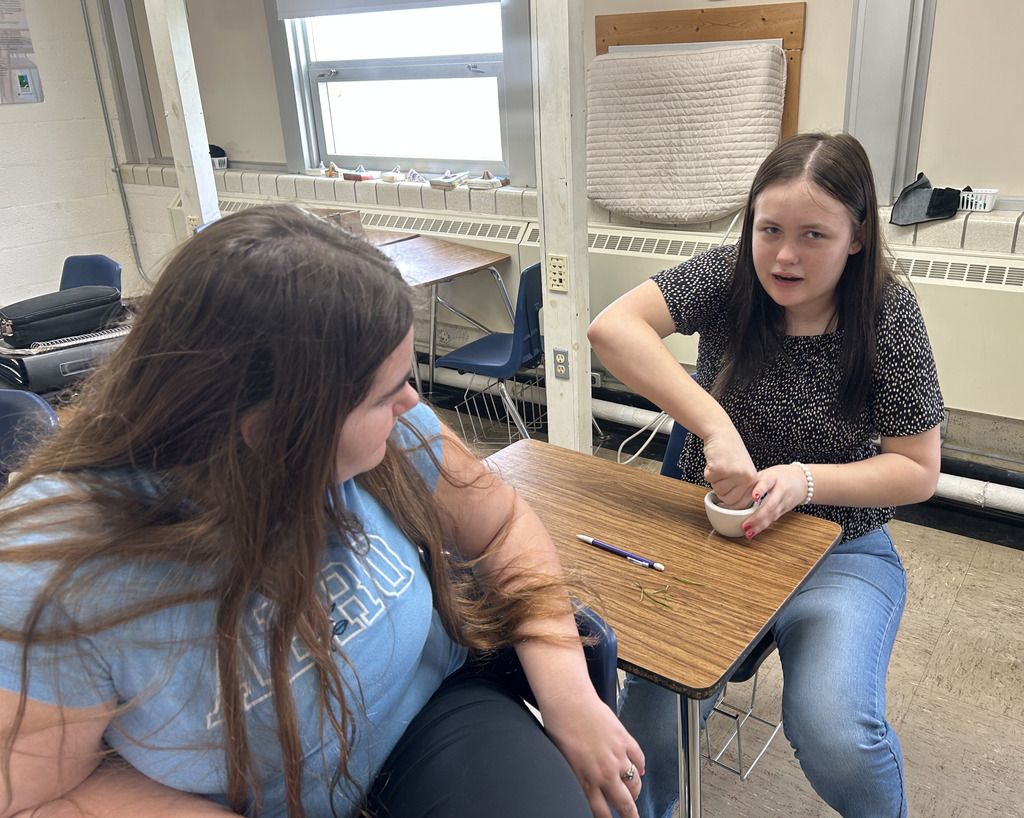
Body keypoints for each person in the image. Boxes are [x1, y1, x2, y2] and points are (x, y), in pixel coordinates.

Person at [0, 205, 644, 818]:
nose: (413, 405)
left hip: (430, 717)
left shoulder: (397, 430)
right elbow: (39, 795)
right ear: (275, 432)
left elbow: (500, 524)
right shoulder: (53, 568)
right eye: (385, 394)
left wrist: (569, 697)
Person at [588, 132, 944, 818]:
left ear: (857, 238)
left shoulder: (888, 316)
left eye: (815, 235)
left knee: (835, 732)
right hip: (716, 541)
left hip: (840, 550)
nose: (785, 255)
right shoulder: (728, 279)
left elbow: (917, 469)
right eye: (769, 229)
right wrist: (715, 425)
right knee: (643, 742)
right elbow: (613, 329)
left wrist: (804, 481)